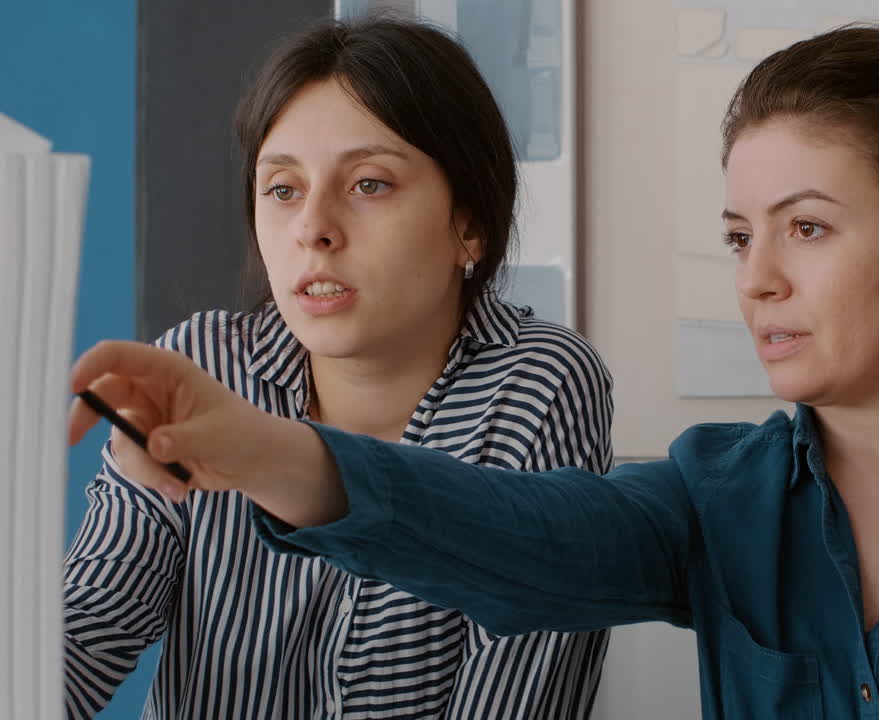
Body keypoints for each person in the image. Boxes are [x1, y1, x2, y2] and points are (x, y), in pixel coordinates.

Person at [69, 25, 879, 719]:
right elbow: (510, 537)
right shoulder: (718, 492)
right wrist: (255, 446)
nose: (756, 281)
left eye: (805, 228)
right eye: (740, 238)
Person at [62, 16, 613, 720]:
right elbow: (87, 629)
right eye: (283, 189)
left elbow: (519, 692)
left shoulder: (538, 383)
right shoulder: (201, 366)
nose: (312, 227)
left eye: (369, 184)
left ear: (469, 224)